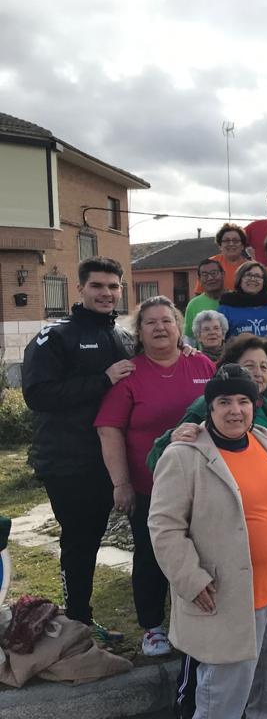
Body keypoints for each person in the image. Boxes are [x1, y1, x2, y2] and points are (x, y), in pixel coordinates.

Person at [148, 364, 267, 719]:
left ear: (254, 405)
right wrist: (190, 579)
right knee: (223, 690)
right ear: (209, 407)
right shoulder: (184, 455)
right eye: (224, 402)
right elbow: (164, 527)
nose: (235, 410)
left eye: (243, 401)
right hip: (225, 592)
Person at [94, 296, 216, 656]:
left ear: (179, 328)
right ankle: (153, 627)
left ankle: (195, 617)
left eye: (167, 321)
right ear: (139, 332)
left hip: (203, 483)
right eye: (151, 322)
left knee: (203, 552)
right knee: (152, 555)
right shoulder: (129, 374)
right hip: (151, 486)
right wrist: (121, 484)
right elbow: (109, 429)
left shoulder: (202, 364)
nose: (160, 327)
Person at [22, 256, 134, 638]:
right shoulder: (56, 336)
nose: (106, 293)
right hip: (69, 461)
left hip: (113, 459)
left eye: (113, 286)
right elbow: (37, 394)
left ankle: (82, 621)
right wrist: (103, 379)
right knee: (80, 542)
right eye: (97, 286)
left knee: (95, 537)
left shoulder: (121, 336)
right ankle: (79, 624)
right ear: (80, 288)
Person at [147, 333, 267, 472]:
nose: (258, 373)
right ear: (230, 367)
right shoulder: (205, 406)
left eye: (264, 367)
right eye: (249, 366)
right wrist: (171, 438)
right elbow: (156, 461)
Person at [217, 261, 267, 338]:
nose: (253, 279)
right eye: (248, 275)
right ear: (240, 279)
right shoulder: (226, 308)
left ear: (264, 282)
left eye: (257, 276)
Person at [193, 223, 248, 295]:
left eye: (235, 241)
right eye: (227, 241)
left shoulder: (251, 267)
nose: (231, 244)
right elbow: (198, 294)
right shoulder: (210, 264)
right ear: (220, 246)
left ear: (242, 245)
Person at [184, 259, 224, 346]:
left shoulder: (235, 300)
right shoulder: (193, 305)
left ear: (223, 274)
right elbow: (189, 340)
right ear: (199, 279)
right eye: (205, 275)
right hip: (205, 354)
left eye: (214, 273)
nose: (210, 278)